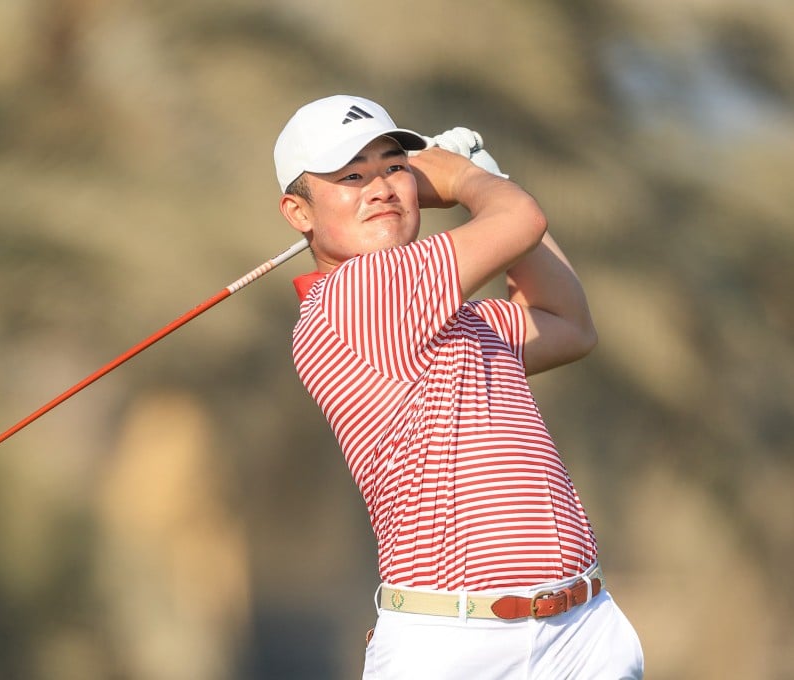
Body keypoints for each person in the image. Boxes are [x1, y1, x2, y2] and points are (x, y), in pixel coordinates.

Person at [273, 94, 644, 679]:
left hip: (581, 631)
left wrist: (491, 179)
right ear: (299, 213)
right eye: (351, 176)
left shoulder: (457, 320)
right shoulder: (357, 295)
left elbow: (569, 324)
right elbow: (521, 221)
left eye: (395, 166)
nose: (381, 187)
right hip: (456, 642)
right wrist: (463, 176)